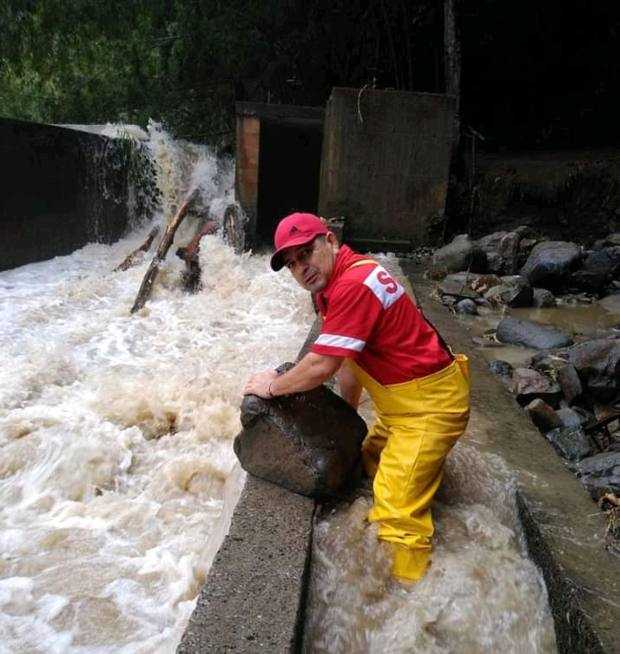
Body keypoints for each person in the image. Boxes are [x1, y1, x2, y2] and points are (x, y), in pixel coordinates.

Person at [243, 212, 470, 583]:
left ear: (330, 241)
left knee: (396, 510)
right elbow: (350, 360)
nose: (302, 268)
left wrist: (271, 386)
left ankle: (409, 598)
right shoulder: (335, 286)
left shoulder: (353, 286)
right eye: (292, 263)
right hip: (406, 406)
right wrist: (346, 420)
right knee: (368, 464)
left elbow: (322, 365)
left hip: (430, 409)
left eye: (306, 253)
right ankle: (421, 488)